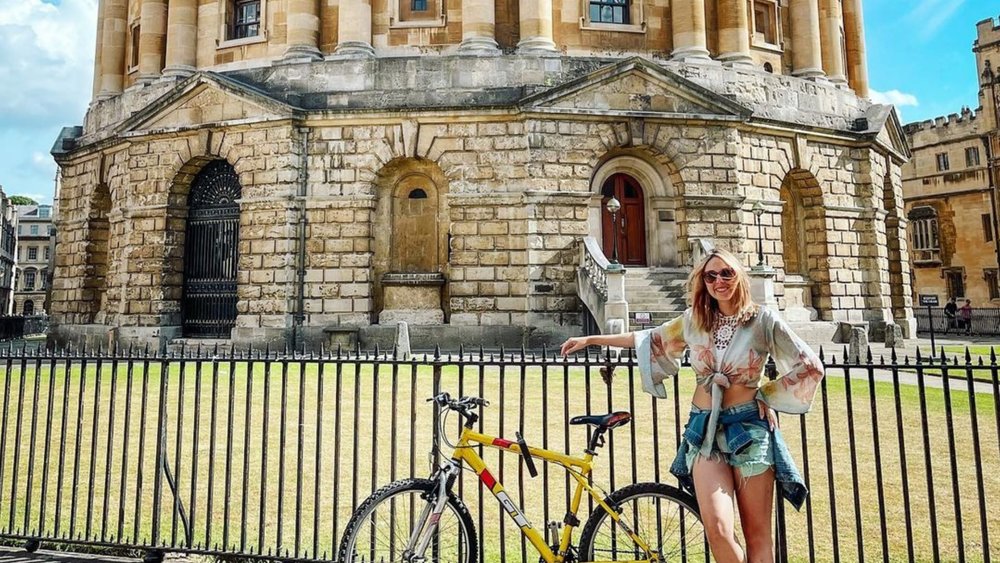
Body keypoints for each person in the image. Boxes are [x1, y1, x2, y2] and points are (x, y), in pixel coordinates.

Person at [561, 248, 823, 563]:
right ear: (703, 282)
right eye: (710, 276)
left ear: (738, 276)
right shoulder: (694, 320)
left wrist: (767, 394)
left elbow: (810, 365)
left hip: (750, 432)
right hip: (703, 433)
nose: (718, 281)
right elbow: (649, 338)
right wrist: (592, 341)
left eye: (726, 273)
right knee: (718, 529)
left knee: (758, 538)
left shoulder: (761, 319)